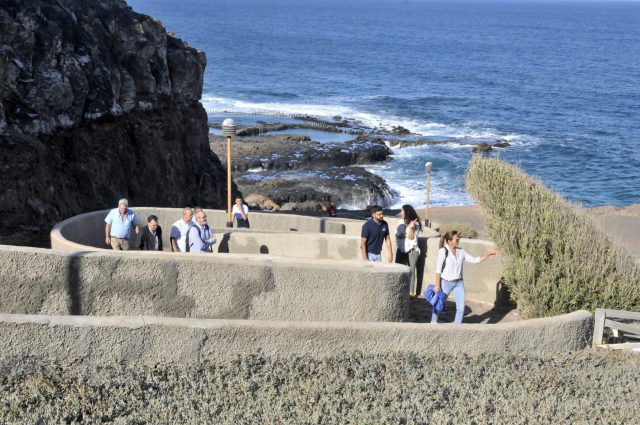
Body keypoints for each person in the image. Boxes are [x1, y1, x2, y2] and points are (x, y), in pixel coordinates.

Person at [431, 230, 498, 324]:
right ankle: (433, 323)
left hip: (459, 283)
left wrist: (487, 255)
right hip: (445, 283)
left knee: (461, 308)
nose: (458, 240)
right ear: (449, 241)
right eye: (456, 239)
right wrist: (437, 285)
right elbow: (438, 270)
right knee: (438, 305)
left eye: (458, 239)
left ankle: (457, 328)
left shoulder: (461, 251)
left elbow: (475, 260)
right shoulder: (443, 251)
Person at [395, 205, 422, 298]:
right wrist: (403, 234)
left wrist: (410, 228)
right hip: (402, 248)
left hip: (412, 250)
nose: (401, 213)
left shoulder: (416, 223)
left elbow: (411, 238)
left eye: (402, 211)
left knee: (411, 270)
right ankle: (398, 288)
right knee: (398, 268)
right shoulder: (400, 221)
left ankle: (411, 291)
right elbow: (397, 235)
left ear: (407, 212)